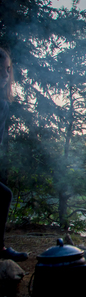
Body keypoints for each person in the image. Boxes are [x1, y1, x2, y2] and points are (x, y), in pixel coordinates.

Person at [0, 48, 28, 262]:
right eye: (2, 68)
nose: (6, 73)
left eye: (8, 68)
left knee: (3, 194)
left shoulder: (4, 104)